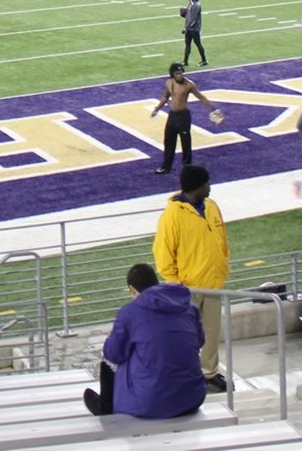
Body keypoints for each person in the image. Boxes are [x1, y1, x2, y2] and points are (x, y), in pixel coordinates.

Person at [83, 264, 205, 418]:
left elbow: (113, 354)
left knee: (110, 361)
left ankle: (105, 407)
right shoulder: (188, 307)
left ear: (132, 290)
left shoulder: (130, 312)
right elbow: (199, 341)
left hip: (149, 403)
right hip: (192, 397)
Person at [154, 164, 229, 390]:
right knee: (186, 336)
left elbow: (222, 239)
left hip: (214, 283)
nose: (210, 186)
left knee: (212, 333)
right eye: (207, 182)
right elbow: (163, 254)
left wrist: (223, 264)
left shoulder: (212, 207)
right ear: (197, 186)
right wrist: (176, 285)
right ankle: (185, 375)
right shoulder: (172, 216)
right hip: (187, 288)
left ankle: (208, 373)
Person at [151, 64, 219, 175]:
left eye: (181, 72)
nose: (180, 75)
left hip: (183, 116)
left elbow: (201, 97)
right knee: (168, 142)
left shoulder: (189, 84)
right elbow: (165, 97)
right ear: (172, 74)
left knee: (186, 143)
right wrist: (157, 109)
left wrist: (214, 108)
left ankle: (188, 168)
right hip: (172, 116)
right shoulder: (169, 83)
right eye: (177, 73)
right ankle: (166, 167)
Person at [181, 0, 206, 67]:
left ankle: (204, 60)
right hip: (189, 28)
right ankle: (185, 61)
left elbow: (194, 19)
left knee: (198, 44)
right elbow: (189, 16)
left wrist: (186, 28)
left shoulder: (196, 5)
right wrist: (183, 13)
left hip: (194, 29)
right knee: (187, 44)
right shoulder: (190, 4)